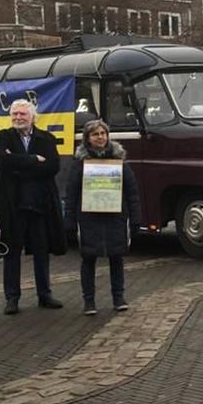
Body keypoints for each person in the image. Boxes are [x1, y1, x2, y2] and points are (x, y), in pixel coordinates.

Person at [0, 99, 67, 314]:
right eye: (14, 114)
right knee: (12, 251)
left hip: (39, 203)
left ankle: (45, 294)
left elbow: (53, 166)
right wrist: (35, 159)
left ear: (32, 117)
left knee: (41, 251)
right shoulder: (2, 136)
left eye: (22, 114)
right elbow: (2, 163)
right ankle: (12, 298)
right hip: (13, 203)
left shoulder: (47, 138)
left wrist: (18, 164)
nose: (18, 118)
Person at [64, 120, 141, 315]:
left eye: (103, 133)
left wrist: (135, 217)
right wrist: (70, 221)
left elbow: (132, 191)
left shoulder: (119, 161)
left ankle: (118, 297)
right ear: (88, 139)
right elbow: (71, 193)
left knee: (117, 258)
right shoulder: (80, 163)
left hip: (115, 217)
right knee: (88, 259)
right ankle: (89, 301)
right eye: (95, 134)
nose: (100, 137)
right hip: (89, 218)